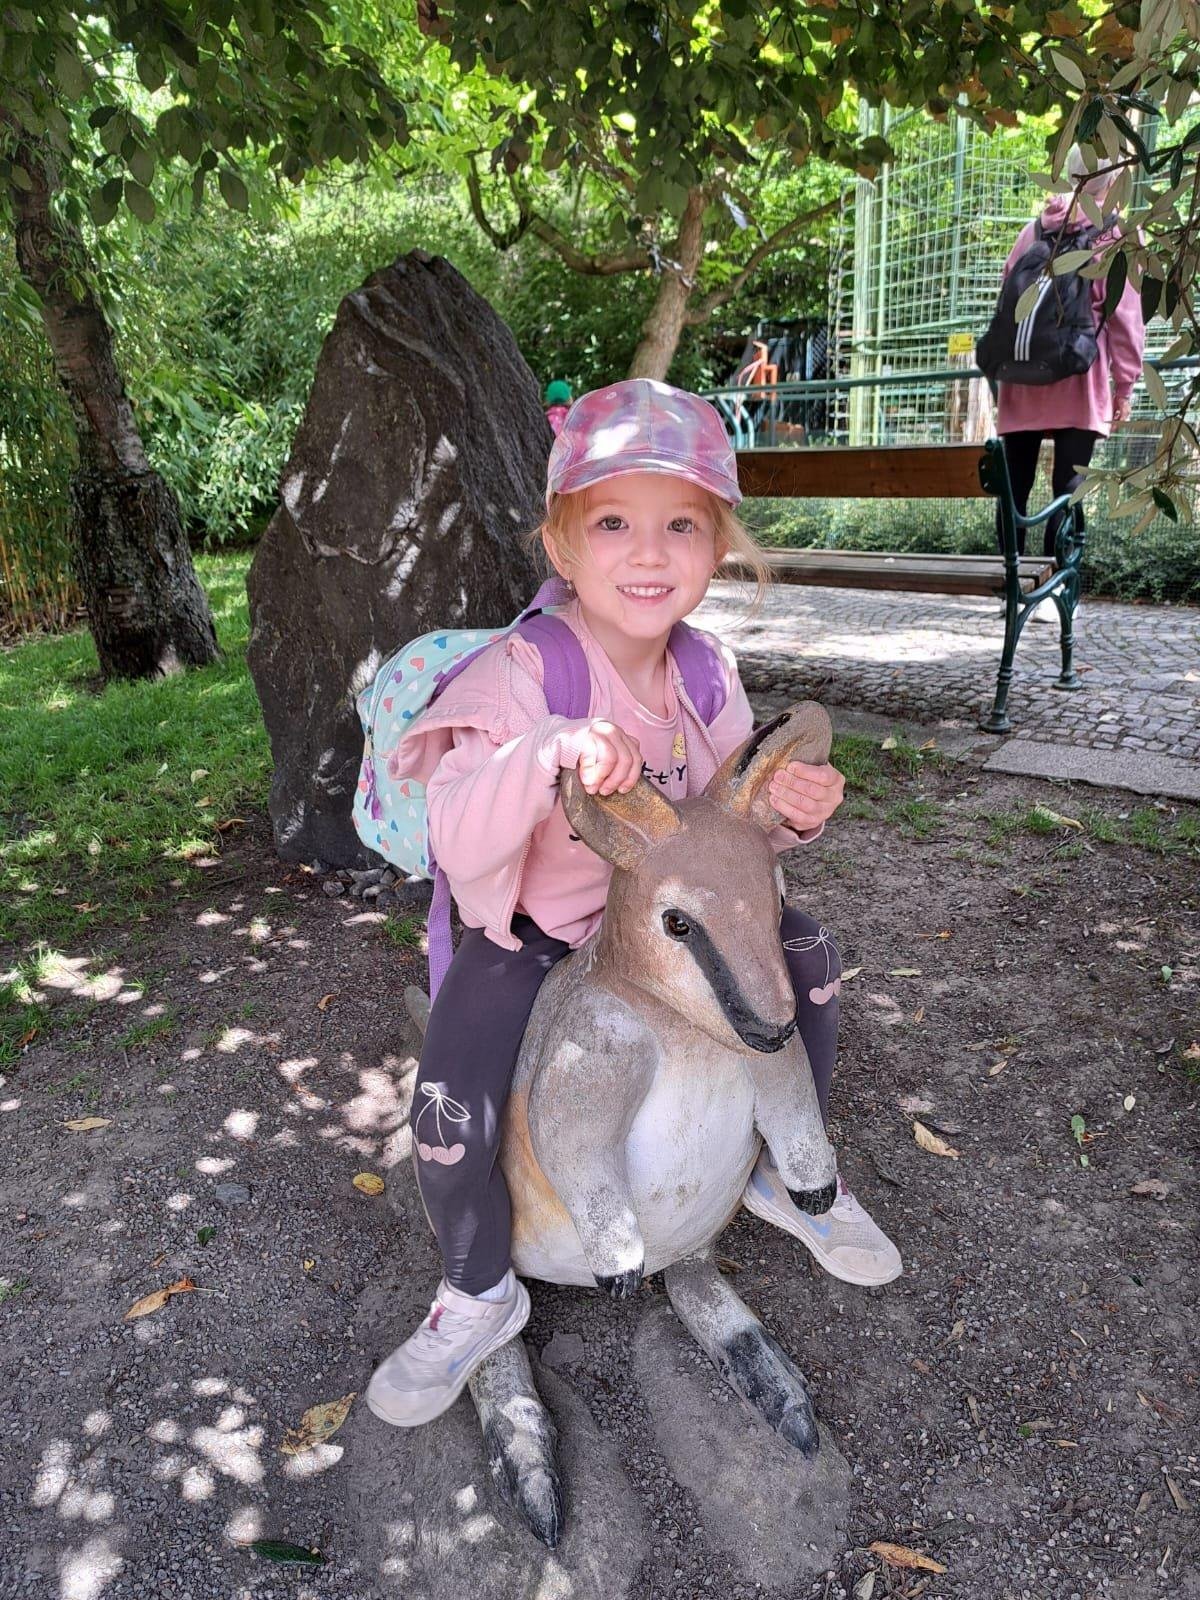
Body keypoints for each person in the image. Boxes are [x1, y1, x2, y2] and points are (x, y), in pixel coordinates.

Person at [366, 379, 901, 1430]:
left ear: (718, 546)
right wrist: (543, 753)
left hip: (670, 934)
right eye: (613, 522)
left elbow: (724, 833)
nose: (649, 553)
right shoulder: (525, 672)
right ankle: (474, 1285)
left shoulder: (705, 673)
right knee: (454, 1093)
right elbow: (456, 837)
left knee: (804, 958)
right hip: (537, 932)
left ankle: (785, 1172)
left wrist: (791, 813)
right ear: (561, 546)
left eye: (681, 526)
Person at [995, 145, 1145, 585]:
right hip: (1080, 377)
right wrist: (1125, 387)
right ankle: (1055, 591)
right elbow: (1125, 318)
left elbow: (1006, 301)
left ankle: (1011, 587)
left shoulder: (1033, 230)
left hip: (1023, 376)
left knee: (1015, 487)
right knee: (1068, 488)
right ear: (1114, 181)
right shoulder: (1116, 235)